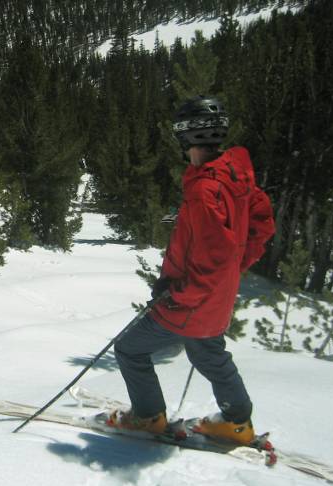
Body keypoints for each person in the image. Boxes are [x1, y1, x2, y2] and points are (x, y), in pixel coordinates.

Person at [108, 95, 276, 444]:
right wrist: (235, 268)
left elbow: (214, 257)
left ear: (185, 136)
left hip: (190, 301)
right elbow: (260, 226)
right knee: (209, 354)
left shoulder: (204, 189)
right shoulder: (237, 175)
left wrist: (178, 293)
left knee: (129, 348)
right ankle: (236, 422)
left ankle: (148, 417)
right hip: (215, 297)